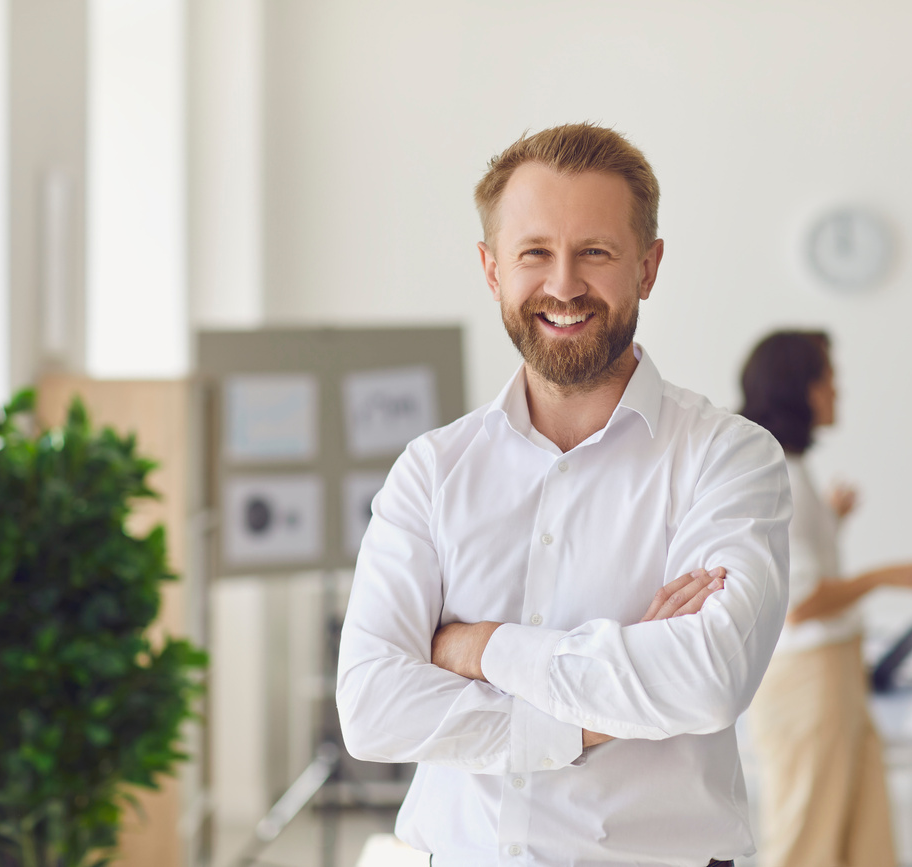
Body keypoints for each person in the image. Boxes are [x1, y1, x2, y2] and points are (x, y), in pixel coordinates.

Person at [335, 123, 792, 866]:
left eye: (596, 252)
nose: (563, 285)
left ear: (648, 266)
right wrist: (603, 713)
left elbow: (706, 678)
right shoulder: (431, 470)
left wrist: (479, 647)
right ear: (491, 270)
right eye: (534, 253)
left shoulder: (728, 459)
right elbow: (372, 709)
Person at [741, 330, 912, 867]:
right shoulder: (779, 472)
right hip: (809, 681)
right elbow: (801, 602)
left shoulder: (788, 469)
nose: (838, 392)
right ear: (800, 390)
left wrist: (829, 521)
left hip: (830, 677)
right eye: (829, 380)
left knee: (858, 837)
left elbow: (794, 570)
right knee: (807, 842)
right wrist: (886, 576)